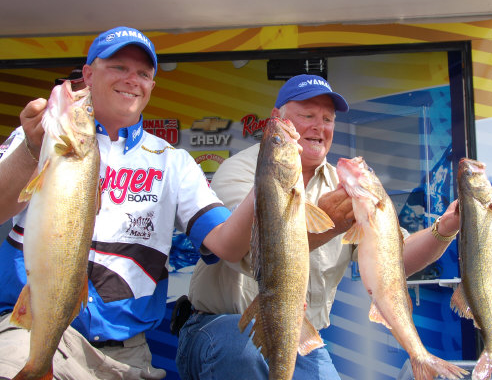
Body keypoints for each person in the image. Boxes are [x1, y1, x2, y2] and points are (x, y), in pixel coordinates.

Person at [0, 26, 254, 380]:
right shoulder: (40, 137)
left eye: (143, 73)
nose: (132, 79)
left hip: (125, 355)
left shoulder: (173, 161)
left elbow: (228, 244)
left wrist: (267, 187)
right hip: (28, 330)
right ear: (88, 75)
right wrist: (30, 148)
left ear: (151, 86)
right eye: (119, 67)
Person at [175, 74, 460, 379]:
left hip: (300, 336)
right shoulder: (245, 173)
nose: (319, 127)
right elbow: (242, 254)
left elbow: (393, 259)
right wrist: (330, 225)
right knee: (243, 352)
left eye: (327, 119)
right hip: (221, 328)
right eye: (307, 115)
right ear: (278, 118)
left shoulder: (344, 184)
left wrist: (445, 228)